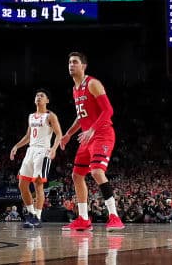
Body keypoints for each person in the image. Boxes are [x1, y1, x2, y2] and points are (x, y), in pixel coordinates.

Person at [59, 51, 125, 231]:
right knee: (76, 175)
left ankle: (114, 217)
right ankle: (83, 218)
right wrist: (68, 134)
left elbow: (108, 111)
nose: (71, 65)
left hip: (102, 133)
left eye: (75, 62)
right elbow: (81, 117)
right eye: (69, 62)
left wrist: (92, 129)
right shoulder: (75, 89)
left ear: (83, 66)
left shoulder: (93, 83)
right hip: (87, 137)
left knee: (96, 171)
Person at [9, 88, 62, 228]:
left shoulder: (50, 116)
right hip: (30, 150)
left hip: (43, 151)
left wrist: (54, 148)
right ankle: (31, 213)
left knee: (38, 184)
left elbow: (59, 134)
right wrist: (16, 146)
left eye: (42, 95)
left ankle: (38, 216)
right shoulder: (31, 116)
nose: (39, 97)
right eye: (37, 95)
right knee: (22, 184)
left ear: (47, 100)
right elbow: (28, 137)